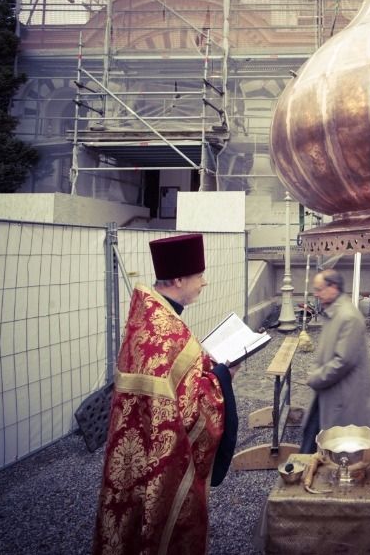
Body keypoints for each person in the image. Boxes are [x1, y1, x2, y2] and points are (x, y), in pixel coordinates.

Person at [92, 233, 238, 555]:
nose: (204, 282)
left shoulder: (147, 317)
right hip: (157, 454)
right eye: (199, 276)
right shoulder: (167, 329)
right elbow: (188, 411)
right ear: (177, 279)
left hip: (134, 451)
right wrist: (223, 377)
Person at [299, 269, 370, 468]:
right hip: (332, 394)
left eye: (319, 289)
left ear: (333, 288)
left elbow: (342, 362)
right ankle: (303, 479)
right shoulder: (335, 312)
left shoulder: (348, 317)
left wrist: (316, 377)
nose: (316, 294)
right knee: (313, 437)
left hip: (345, 396)